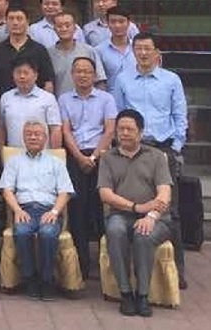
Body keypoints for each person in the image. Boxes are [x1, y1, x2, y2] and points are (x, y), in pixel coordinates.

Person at [112, 33, 187, 287]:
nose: (143, 53)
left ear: (157, 53)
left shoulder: (171, 80)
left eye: (147, 49)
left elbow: (180, 115)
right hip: (132, 149)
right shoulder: (123, 80)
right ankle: (133, 269)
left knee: (170, 209)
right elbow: (119, 114)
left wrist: (175, 147)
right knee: (132, 200)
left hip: (163, 148)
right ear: (133, 52)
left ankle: (177, 271)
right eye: (138, 49)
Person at [98, 109, 173, 317]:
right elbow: (105, 194)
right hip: (121, 214)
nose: (124, 133)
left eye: (129, 129)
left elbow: (165, 193)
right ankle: (125, 293)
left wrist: (151, 216)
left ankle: (142, 295)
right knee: (115, 230)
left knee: (143, 235)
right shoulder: (108, 158)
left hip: (156, 218)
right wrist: (136, 208)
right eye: (120, 129)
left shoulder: (156, 156)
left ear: (140, 132)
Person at [0, 121, 75, 301]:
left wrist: (54, 212)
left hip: (49, 210)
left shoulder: (56, 163)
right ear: (23, 137)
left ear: (45, 138)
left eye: (37, 134)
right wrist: (17, 210)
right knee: (22, 232)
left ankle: (47, 281)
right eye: (29, 134)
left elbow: (65, 192)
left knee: (47, 233)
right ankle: (30, 278)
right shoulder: (14, 162)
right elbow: (7, 190)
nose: (33, 137)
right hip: (23, 209)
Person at [59, 56, 117, 279]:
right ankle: (81, 264)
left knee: (100, 209)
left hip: (101, 156)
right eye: (78, 71)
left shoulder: (106, 99)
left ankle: (106, 264)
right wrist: (79, 157)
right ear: (72, 75)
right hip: (74, 156)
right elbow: (66, 131)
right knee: (77, 209)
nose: (82, 75)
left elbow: (109, 130)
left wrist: (92, 157)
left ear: (94, 75)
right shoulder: (64, 99)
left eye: (87, 71)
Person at [0, 4, 56, 96]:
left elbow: (48, 82)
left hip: (35, 102)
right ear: (6, 22)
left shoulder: (39, 50)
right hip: (6, 102)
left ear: (27, 22)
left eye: (19, 19)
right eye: (11, 19)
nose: (15, 23)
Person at [0, 57, 62, 149]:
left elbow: (55, 129)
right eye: (18, 72)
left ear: (36, 75)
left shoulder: (48, 98)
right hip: (14, 154)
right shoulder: (6, 97)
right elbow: (1, 128)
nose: (22, 76)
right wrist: (2, 153)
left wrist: (55, 155)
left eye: (26, 73)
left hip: (42, 154)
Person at [48, 12, 107, 96]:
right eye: (59, 26)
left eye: (67, 25)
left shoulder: (88, 51)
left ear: (75, 28)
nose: (64, 29)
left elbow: (100, 80)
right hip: (60, 101)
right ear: (54, 29)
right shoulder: (48, 53)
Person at [96, 6, 138, 96]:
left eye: (121, 21)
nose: (117, 25)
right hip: (112, 98)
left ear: (128, 23)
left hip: (136, 97)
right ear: (108, 23)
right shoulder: (99, 50)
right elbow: (100, 82)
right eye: (113, 22)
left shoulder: (138, 48)